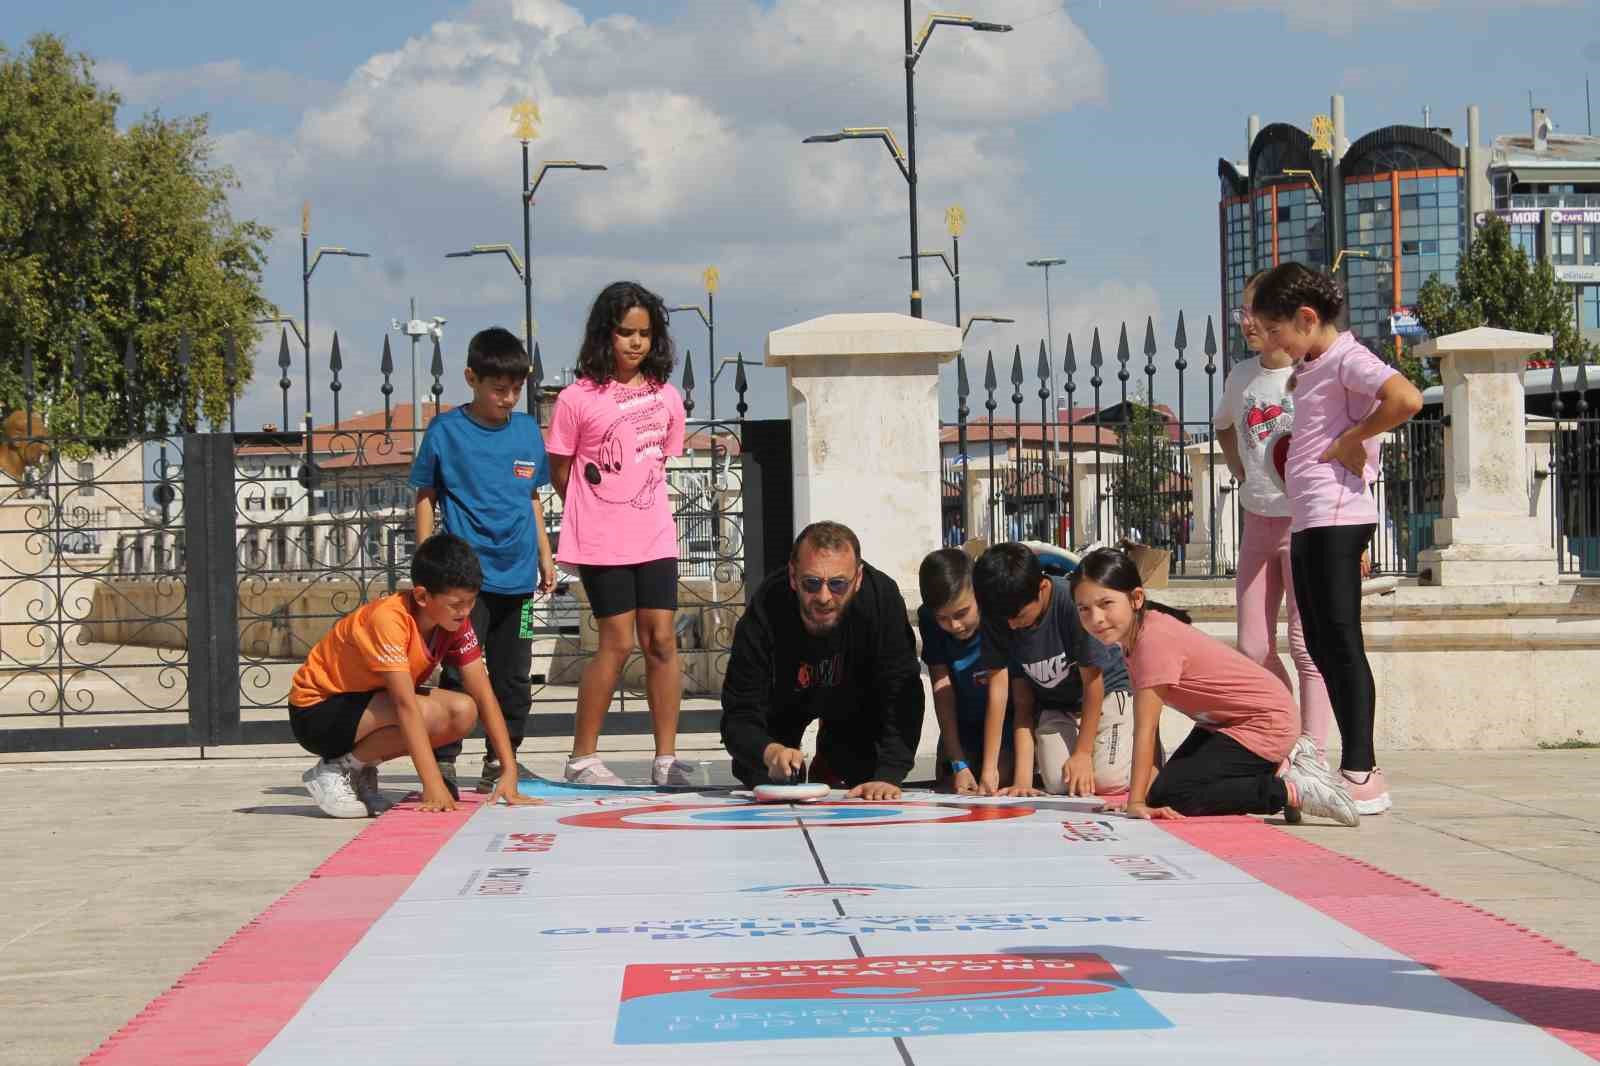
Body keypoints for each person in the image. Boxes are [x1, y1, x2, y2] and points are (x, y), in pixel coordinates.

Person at [1249, 262, 1423, 815]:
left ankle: (1362, 772)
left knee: (1341, 642)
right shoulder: (1319, 363)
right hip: (1310, 517)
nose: (1272, 343)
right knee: (1320, 643)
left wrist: (1357, 437)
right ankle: (1350, 766)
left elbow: (1406, 398)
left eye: (1276, 331)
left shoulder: (1349, 356)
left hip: (1338, 516)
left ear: (1305, 318)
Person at [1071, 546, 1357, 825]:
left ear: (1136, 598)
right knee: (1161, 796)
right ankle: (1281, 766)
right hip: (1226, 723)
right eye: (1084, 608)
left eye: (1105, 604)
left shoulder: (1152, 641)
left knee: (1178, 795)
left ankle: (1289, 789)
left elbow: (1144, 729)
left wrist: (1134, 803)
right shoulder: (1135, 638)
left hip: (1264, 722)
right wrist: (1143, 797)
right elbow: (1151, 730)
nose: (1095, 618)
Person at [287, 534, 541, 818]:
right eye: (457, 604)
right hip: (317, 714)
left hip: (367, 707)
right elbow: (405, 706)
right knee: (424, 711)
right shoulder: (388, 619)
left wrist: (509, 769)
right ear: (422, 596)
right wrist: (432, 784)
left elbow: (483, 694)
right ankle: (333, 771)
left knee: (463, 711)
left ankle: (356, 767)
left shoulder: (454, 621)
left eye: (471, 602)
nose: (466, 611)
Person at [547, 281, 689, 786]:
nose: (635, 343)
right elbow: (561, 470)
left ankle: (666, 759)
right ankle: (582, 757)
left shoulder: (668, 397)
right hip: (601, 540)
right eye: (625, 332)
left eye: (644, 334)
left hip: (655, 537)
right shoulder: (576, 398)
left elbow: (657, 465)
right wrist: (597, 513)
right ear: (604, 334)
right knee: (615, 642)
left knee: (663, 640)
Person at [410, 326, 556, 796]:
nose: (509, 399)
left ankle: (503, 759)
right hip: (465, 584)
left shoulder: (527, 432)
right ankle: (445, 763)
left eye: (516, 389)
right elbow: (426, 496)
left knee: (515, 675)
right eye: (499, 389)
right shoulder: (446, 432)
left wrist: (545, 557)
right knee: (458, 673)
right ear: (472, 378)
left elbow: (531, 496)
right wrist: (425, 561)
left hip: (521, 582)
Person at [1214, 271, 1337, 809]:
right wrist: (1243, 473)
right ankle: (1282, 736)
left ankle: (1315, 751)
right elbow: (1224, 426)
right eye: (1243, 313)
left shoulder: (1314, 374)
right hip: (1256, 521)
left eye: (1256, 314)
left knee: (1306, 643)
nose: (1248, 322)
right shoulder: (1241, 377)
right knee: (1253, 646)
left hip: (1305, 521)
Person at [720, 521, 924, 800]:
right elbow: (738, 712)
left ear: (859, 578)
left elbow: (903, 692)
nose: (824, 597)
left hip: (857, 703)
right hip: (783, 703)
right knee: (764, 776)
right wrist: (770, 752)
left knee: (866, 778)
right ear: (793, 576)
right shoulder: (767, 608)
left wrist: (890, 774)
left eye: (838, 584)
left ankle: (831, 757)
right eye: (811, 584)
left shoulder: (880, 600)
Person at [971, 541, 1132, 797]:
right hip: (1056, 707)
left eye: (1020, 616)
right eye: (1005, 619)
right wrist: (1004, 774)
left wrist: (1082, 753)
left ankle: (1135, 746)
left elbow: (1094, 683)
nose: (1012, 626)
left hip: (1106, 695)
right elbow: (1014, 700)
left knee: (1106, 782)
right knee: (1060, 785)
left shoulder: (1071, 603)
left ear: (1042, 587)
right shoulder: (999, 614)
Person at [917, 548, 1028, 795]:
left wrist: (991, 766)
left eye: (962, 613)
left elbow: (1003, 695)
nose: (954, 625)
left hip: (1004, 722)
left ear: (978, 594)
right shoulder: (928, 619)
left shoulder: (997, 612)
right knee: (953, 785)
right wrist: (958, 762)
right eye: (943, 618)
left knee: (999, 781)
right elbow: (942, 691)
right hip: (961, 721)